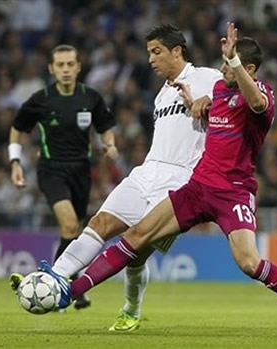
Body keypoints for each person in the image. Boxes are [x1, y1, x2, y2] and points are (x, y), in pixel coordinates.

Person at [40, 23, 277, 334]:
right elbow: (214, 106)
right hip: (197, 188)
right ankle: (71, 290)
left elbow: (254, 102)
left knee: (249, 264)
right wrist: (198, 103)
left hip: (234, 192)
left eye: (229, 62)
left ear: (248, 67)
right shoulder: (216, 89)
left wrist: (232, 68)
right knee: (135, 237)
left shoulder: (262, 94)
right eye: (224, 60)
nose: (223, 66)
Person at [12, 24, 222, 331]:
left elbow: (239, 104)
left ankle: (131, 310)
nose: (150, 59)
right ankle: (54, 277)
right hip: (148, 171)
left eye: (157, 52)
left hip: (182, 181)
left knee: (135, 253)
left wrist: (212, 102)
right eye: (149, 52)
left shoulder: (208, 77)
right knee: (99, 224)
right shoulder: (162, 94)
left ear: (177, 51)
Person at [8, 44, 119, 310]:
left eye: (71, 64)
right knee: (70, 226)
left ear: (79, 67)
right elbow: (17, 128)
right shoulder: (41, 99)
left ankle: (72, 285)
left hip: (82, 171)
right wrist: (15, 162)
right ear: (52, 69)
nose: (66, 69)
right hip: (51, 170)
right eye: (61, 65)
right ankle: (44, 284)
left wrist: (110, 144)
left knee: (73, 233)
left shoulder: (90, 97)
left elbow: (105, 127)